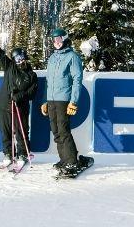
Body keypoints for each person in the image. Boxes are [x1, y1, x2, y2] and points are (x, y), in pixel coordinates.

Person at [41, 28, 91, 177]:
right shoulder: (52, 58)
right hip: (51, 100)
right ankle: (65, 159)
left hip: (64, 99)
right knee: (56, 132)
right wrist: (45, 100)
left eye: (59, 39)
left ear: (65, 39)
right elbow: (48, 81)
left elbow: (77, 80)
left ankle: (72, 162)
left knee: (63, 131)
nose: (56, 42)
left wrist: (73, 101)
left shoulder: (72, 57)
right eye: (54, 40)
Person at [0, 29, 38, 171]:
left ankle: (22, 155)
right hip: (3, 106)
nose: (20, 60)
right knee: (5, 133)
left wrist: (19, 96)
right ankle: (8, 154)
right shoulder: (9, 67)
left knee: (21, 133)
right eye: (17, 58)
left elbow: (32, 93)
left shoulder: (31, 75)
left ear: (25, 57)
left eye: (21, 57)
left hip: (19, 107)